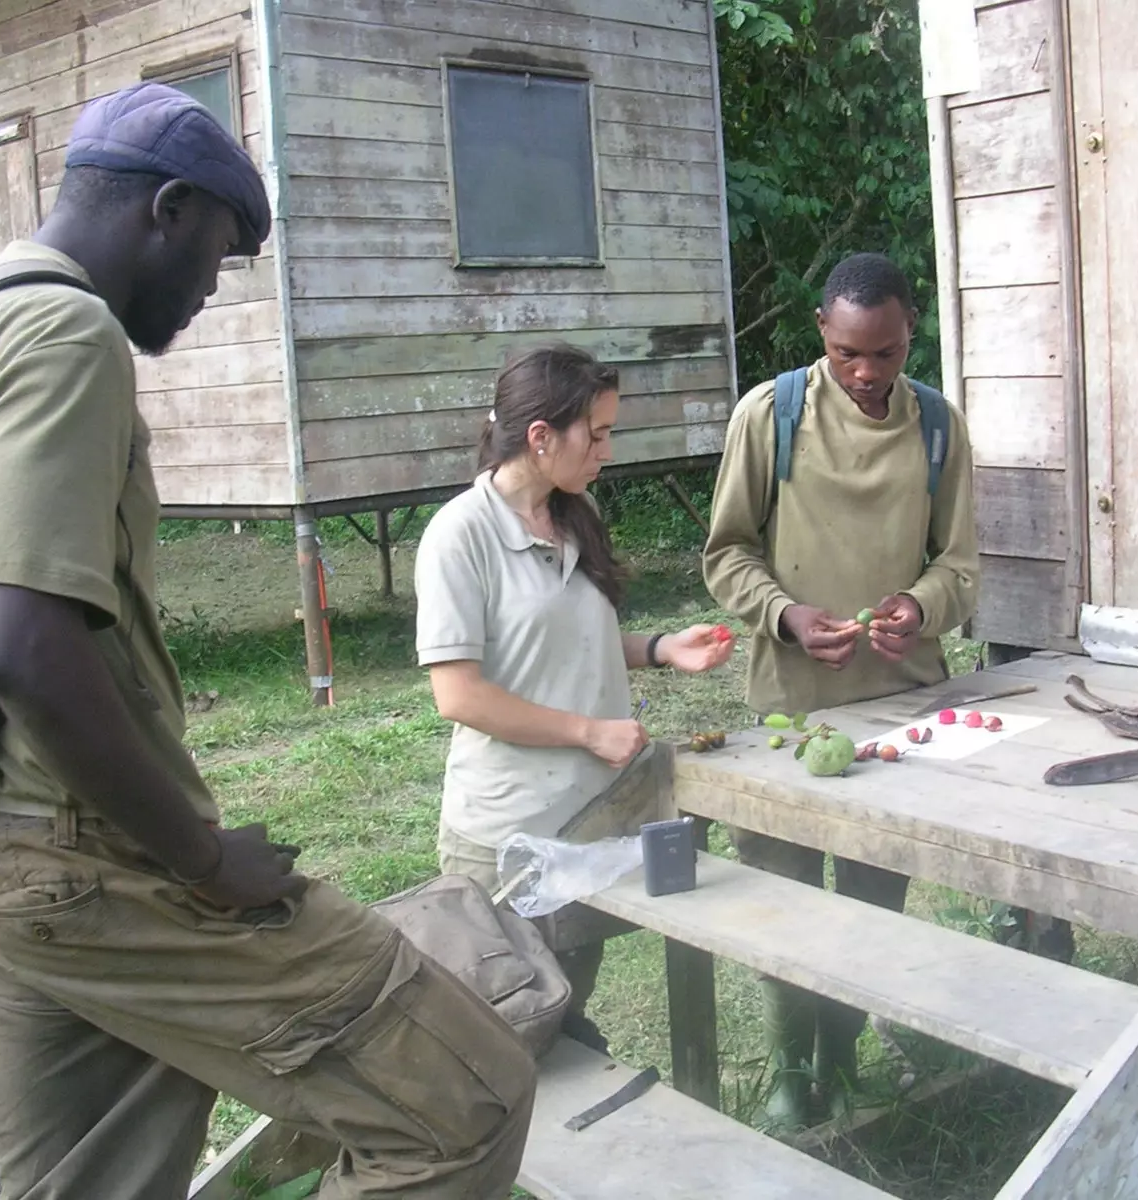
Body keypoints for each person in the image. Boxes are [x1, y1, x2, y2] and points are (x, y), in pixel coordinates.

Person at [0, 84, 537, 1199]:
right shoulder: (62, 325)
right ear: (170, 208)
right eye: (221, 252)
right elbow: (14, 637)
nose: (211, 288)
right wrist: (199, 862)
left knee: (87, 1178)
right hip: (70, 855)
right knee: (463, 1101)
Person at [702, 251, 980, 1124]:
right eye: (850, 353)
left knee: (871, 899)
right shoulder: (771, 415)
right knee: (780, 897)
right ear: (821, 328)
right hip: (789, 712)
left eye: (888, 353)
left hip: (899, 712)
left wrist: (919, 606)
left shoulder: (938, 427)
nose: (867, 374)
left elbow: (961, 567)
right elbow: (726, 554)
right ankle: (790, 1068)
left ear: (909, 337)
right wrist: (786, 615)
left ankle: (844, 1052)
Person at [413, 343, 734, 1026]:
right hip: (506, 838)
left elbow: (560, 650)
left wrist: (658, 649)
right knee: (506, 1036)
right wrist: (589, 732)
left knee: (563, 1010)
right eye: (598, 433)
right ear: (540, 437)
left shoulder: (571, 519)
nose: (607, 451)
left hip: (587, 823)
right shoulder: (459, 537)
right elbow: (459, 695)